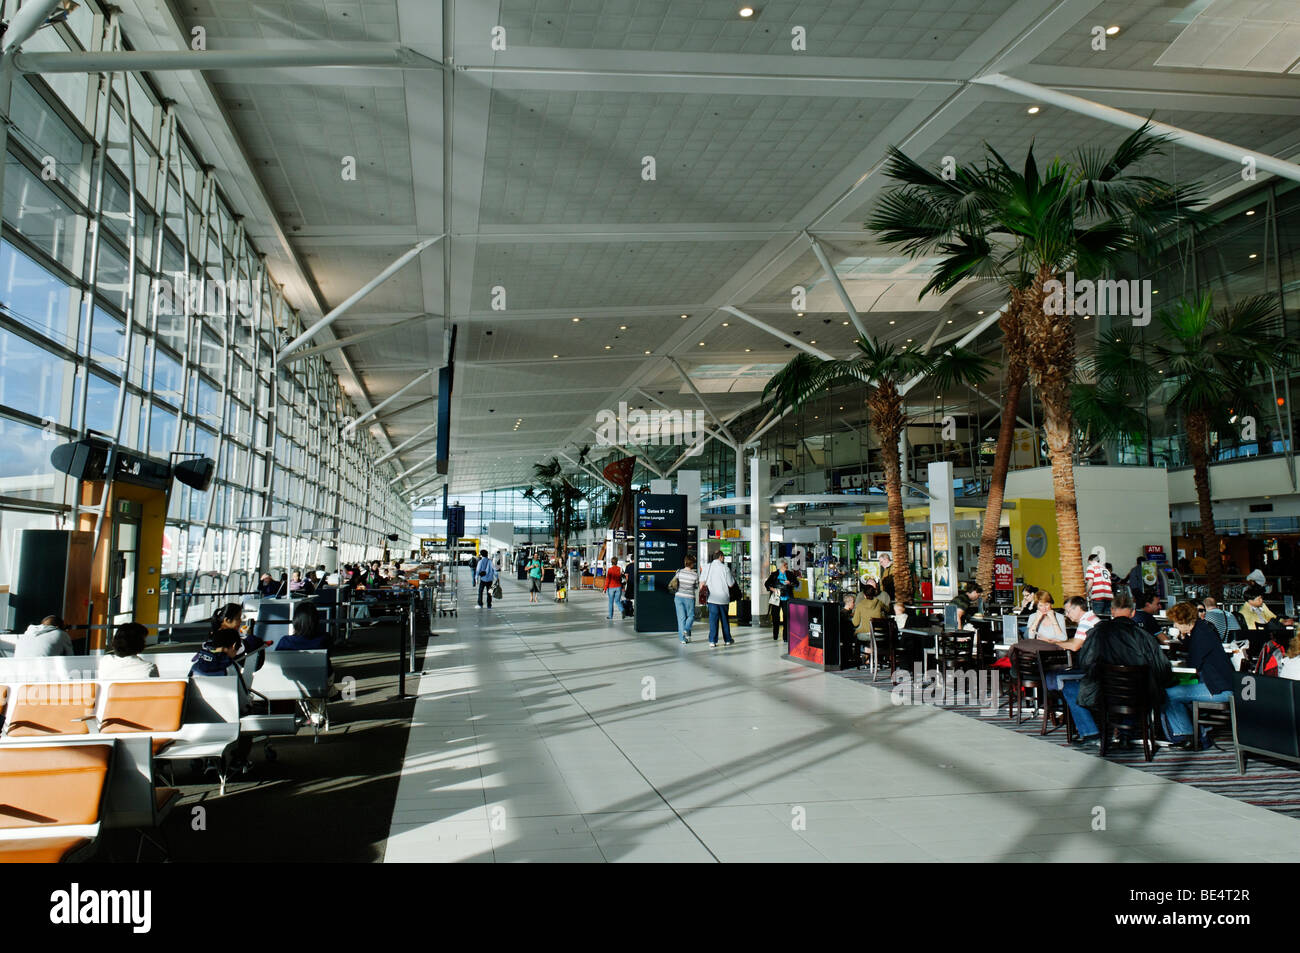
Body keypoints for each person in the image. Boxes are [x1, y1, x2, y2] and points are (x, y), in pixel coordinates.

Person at [1061, 588, 1173, 745]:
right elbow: (1162, 668)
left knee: (1069, 688)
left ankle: (1091, 733)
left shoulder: (1097, 633)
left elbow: (1086, 663)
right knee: (1135, 688)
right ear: (1133, 613)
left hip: (1104, 693)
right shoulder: (1144, 637)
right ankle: (1126, 732)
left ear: (1112, 611)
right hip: (1138, 694)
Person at [1161, 601, 1235, 749]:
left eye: (1176, 622)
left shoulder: (1200, 635)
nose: (1175, 626)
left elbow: (1193, 664)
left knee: (1167, 694)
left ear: (1185, 621)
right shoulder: (1202, 630)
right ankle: (1199, 736)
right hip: (1220, 684)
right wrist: (1183, 637)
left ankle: (1185, 734)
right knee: (1177, 692)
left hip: (1219, 689)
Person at [275, 602, 334, 679]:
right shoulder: (325, 638)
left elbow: (280, 665)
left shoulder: (285, 641)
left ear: (296, 621)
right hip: (319, 682)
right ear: (316, 621)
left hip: (291, 683)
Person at [700, 551, 736, 647]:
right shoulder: (725, 568)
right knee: (724, 620)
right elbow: (731, 584)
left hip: (712, 598)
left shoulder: (707, 567)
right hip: (723, 598)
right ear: (721, 557)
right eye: (723, 557)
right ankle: (727, 640)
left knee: (713, 620)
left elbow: (702, 582)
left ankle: (712, 641)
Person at [764, 558, 800, 642]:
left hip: (787, 598)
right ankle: (775, 635)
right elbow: (767, 584)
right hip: (776, 598)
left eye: (787, 564)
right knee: (775, 617)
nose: (786, 566)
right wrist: (773, 589)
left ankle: (786, 637)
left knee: (787, 617)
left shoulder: (790, 574)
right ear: (780, 565)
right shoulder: (774, 574)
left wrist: (790, 583)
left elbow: (797, 584)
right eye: (785, 564)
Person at [671, 555, 699, 644]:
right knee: (691, 616)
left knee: (681, 618)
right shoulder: (695, 575)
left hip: (678, 597)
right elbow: (696, 586)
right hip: (689, 598)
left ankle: (682, 639)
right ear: (692, 564)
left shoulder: (679, 572)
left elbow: (675, 583)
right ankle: (686, 629)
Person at [1085, 550, 1112, 616]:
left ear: (1090, 560)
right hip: (1108, 596)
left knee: (1098, 617)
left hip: (1098, 595)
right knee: (1107, 617)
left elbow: (1090, 581)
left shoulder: (1091, 567)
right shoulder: (1105, 569)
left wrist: (1087, 592)